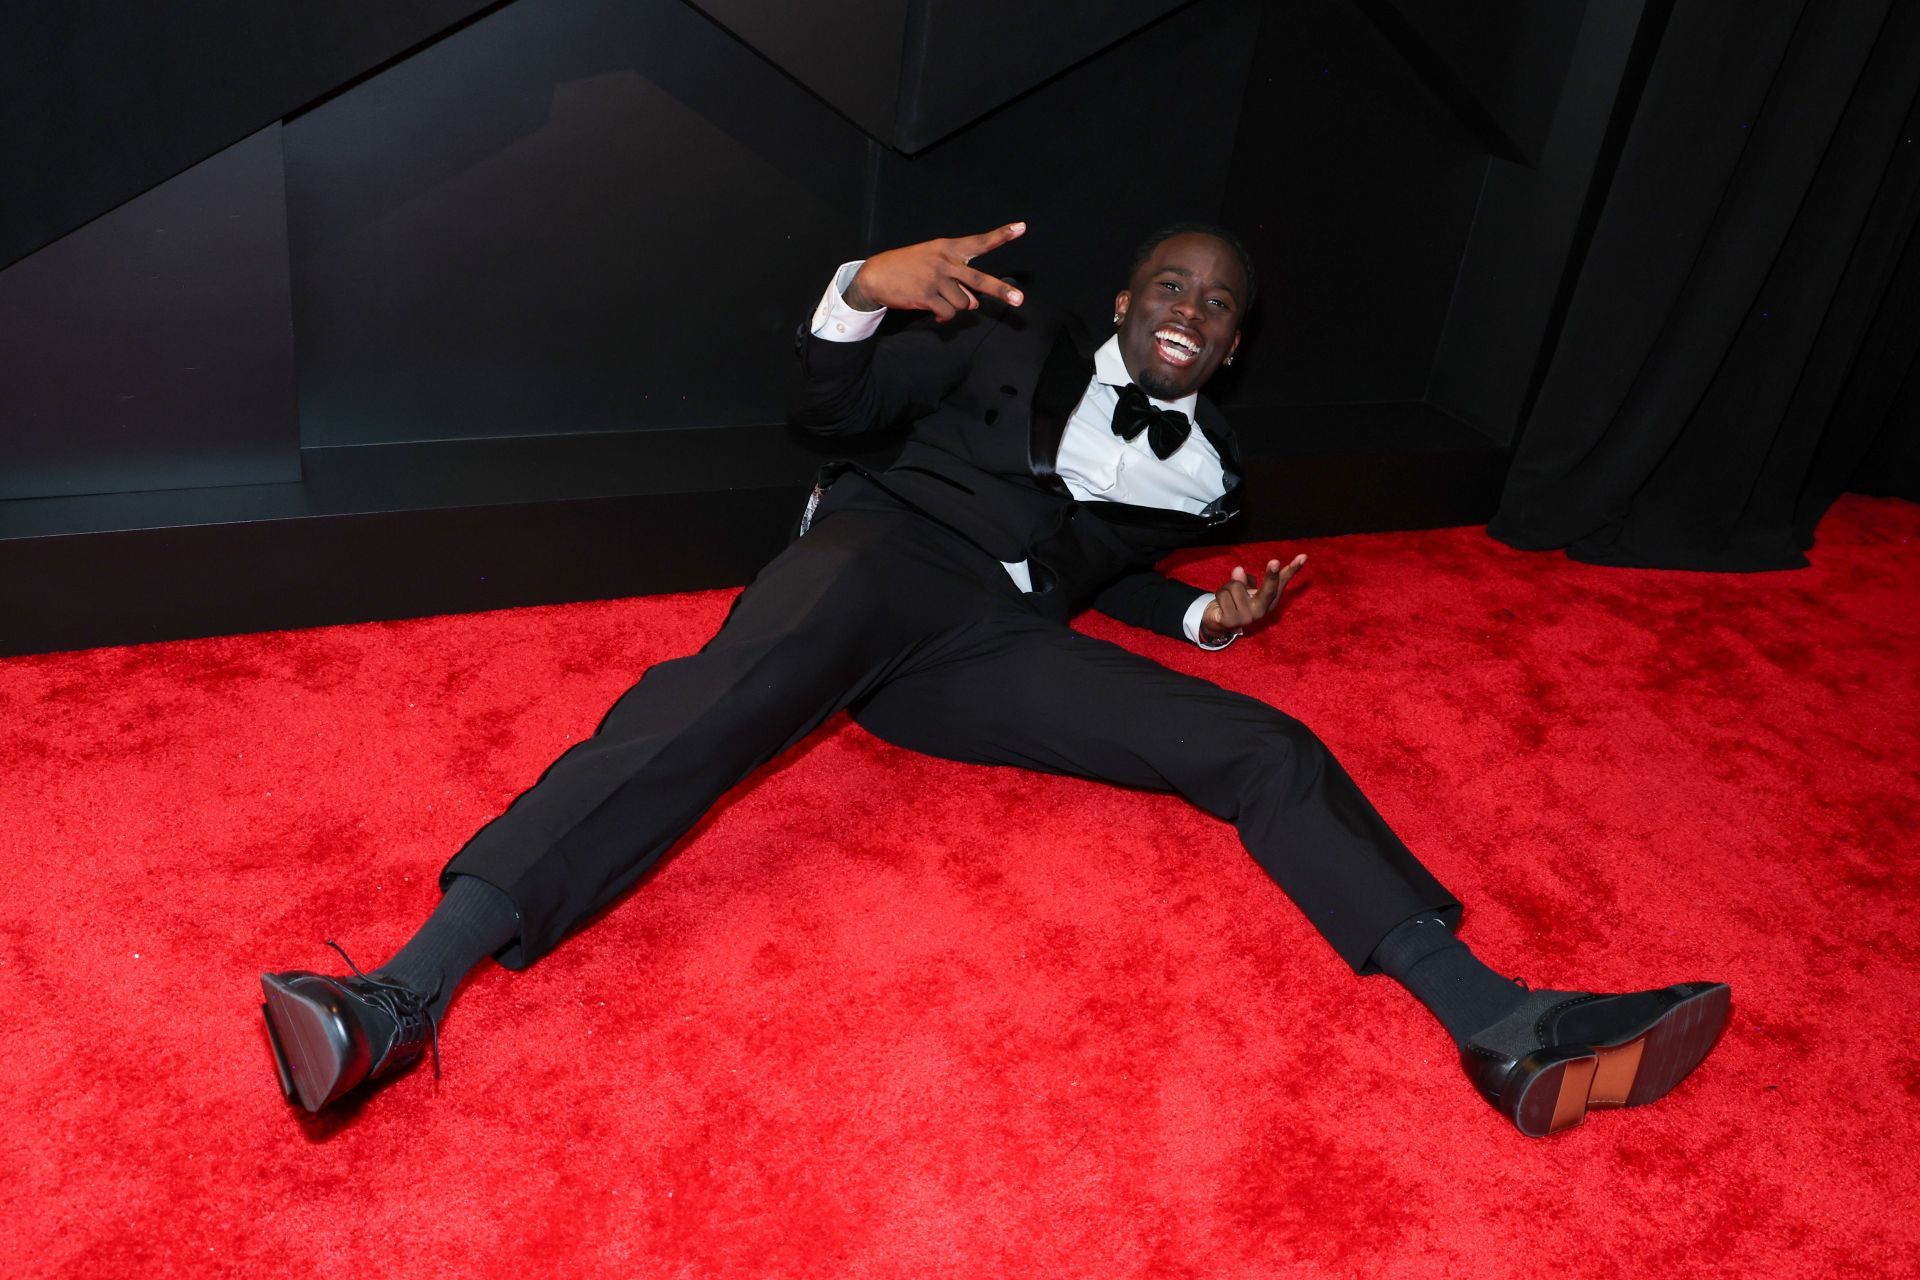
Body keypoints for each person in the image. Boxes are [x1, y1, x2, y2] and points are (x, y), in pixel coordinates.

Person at [260, 221, 1730, 1137]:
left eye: (1218, 305)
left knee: (1265, 750)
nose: (1190, 309)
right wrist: (856, 292)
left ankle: (1495, 1019)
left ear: (1232, 341)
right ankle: (399, 997)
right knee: (706, 717)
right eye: (1171, 282)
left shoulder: (1210, 477)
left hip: (987, 651)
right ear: (1127, 294)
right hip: (884, 557)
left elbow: (1094, 566)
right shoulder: (998, 336)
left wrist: (1205, 620)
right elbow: (826, 406)